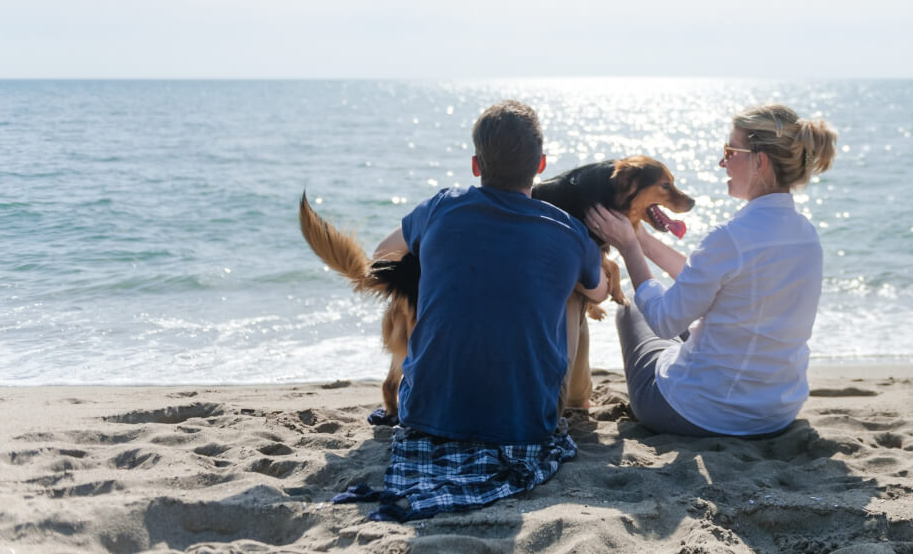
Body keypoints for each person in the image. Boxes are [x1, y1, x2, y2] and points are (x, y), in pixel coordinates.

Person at [337, 100, 607, 521]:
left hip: (426, 414)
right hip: (526, 427)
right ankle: (575, 398)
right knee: (576, 291)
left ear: (476, 165)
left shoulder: (443, 206)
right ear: (541, 163)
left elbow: (382, 254)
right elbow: (602, 292)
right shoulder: (569, 231)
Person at [586, 103, 836, 438]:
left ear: (759, 161)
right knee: (690, 314)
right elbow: (710, 280)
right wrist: (643, 242)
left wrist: (628, 248)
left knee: (634, 308)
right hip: (777, 412)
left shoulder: (729, 238)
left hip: (698, 413)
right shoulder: (807, 235)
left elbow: (663, 322)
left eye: (730, 150)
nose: (723, 162)